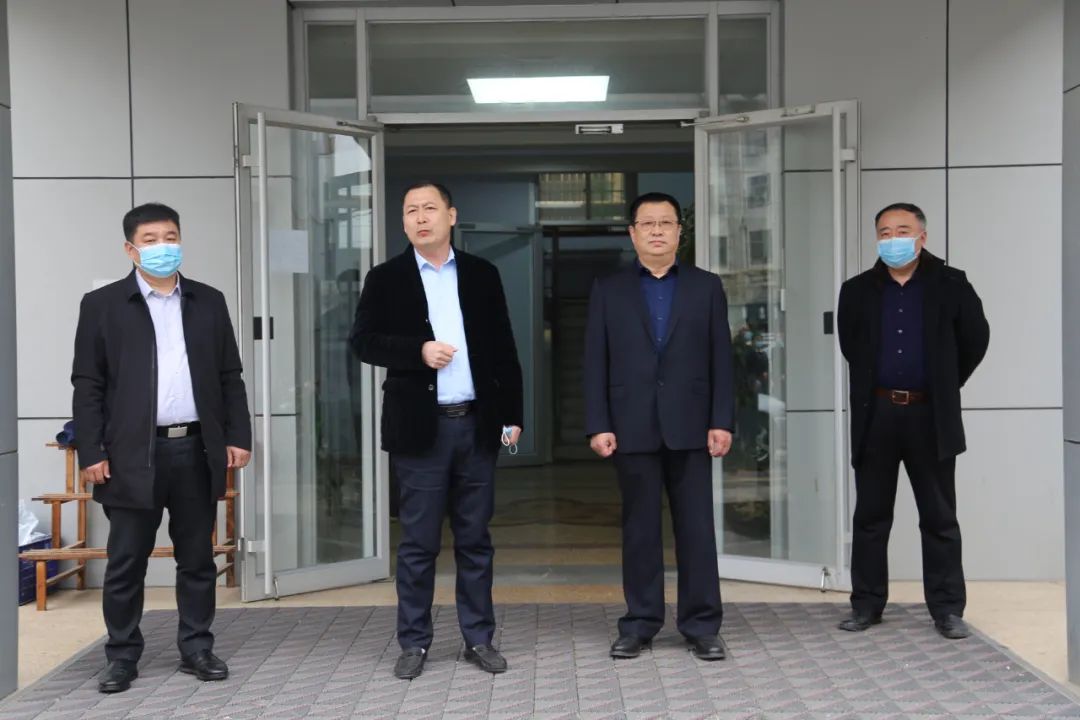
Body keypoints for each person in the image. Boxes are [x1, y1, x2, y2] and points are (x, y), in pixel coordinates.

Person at [71, 203, 252, 693]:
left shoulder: (208, 301)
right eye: (150, 240)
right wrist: (91, 450)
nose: (162, 247)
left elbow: (229, 375)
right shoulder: (104, 305)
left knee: (197, 558)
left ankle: (197, 647)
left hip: (194, 449)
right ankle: (121, 655)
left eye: (170, 236)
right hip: (131, 454)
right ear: (130, 249)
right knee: (126, 560)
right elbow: (88, 383)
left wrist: (238, 435)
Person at [350, 182, 523, 679]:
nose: (421, 217)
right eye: (411, 211)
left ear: (451, 215)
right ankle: (414, 642)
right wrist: (418, 351)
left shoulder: (481, 274)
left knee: (475, 540)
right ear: (404, 222)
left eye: (430, 208)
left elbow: (504, 347)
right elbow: (363, 342)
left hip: (477, 425)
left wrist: (512, 415)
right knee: (418, 544)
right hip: (420, 431)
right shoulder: (386, 278)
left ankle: (479, 638)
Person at [584, 191, 734, 661]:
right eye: (646, 223)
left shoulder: (706, 287)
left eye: (665, 223)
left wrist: (722, 420)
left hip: (692, 425)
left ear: (678, 232)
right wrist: (598, 424)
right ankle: (640, 623)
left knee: (697, 530)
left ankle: (702, 625)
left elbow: (722, 358)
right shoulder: (608, 289)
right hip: (631, 425)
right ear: (632, 233)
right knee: (640, 530)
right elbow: (595, 360)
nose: (656, 231)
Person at [836, 202, 989, 639]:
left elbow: (976, 339)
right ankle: (866, 605)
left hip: (930, 414)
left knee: (939, 516)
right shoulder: (857, 290)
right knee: (870, 516)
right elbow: (852, 347)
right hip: (878, 413)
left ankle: (947, 609)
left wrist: (944, 382)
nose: (893, 240)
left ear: (922, 236)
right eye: (884, 233)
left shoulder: (952, 283)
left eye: (902, 231)